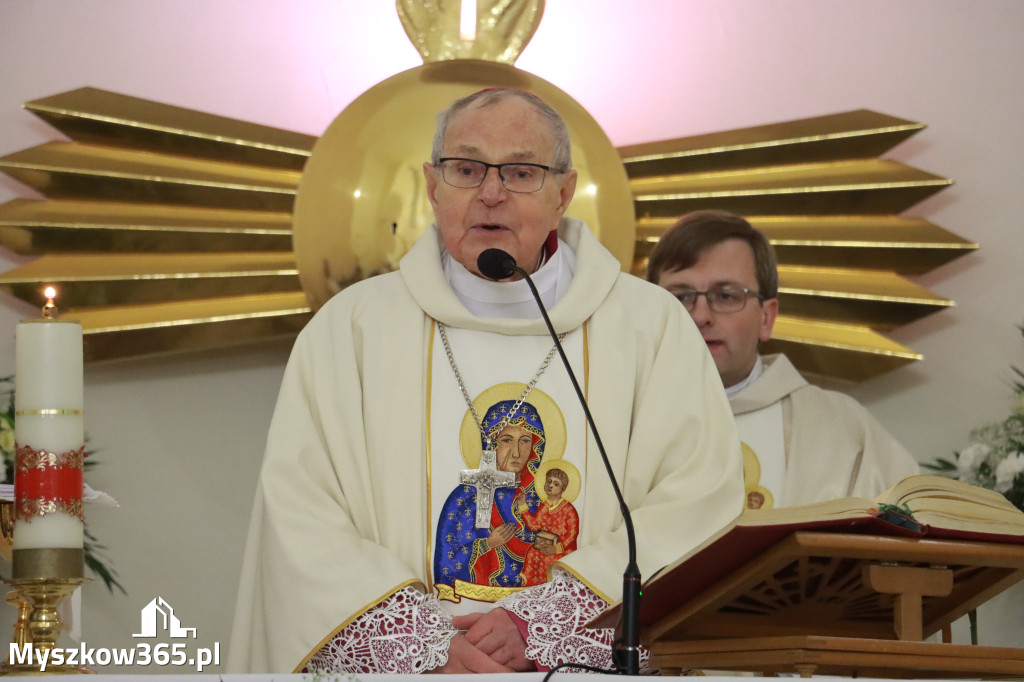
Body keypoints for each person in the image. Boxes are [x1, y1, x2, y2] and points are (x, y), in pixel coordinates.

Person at [228, 89, 744, 675]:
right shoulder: (351, 329)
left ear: (563, 195)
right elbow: (300, 517)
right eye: (466, 169)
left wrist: (543, 622)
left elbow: (698, 504)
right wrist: (426, 645)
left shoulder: (650, 328)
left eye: (522, 172)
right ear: (432, 186)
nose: (490, 193)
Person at [647, 210, 919, 510]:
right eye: (680, 297)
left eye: (726, 296)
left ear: (767, 317)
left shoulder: (843, 429)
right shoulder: (610, 420)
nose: (700, 315)